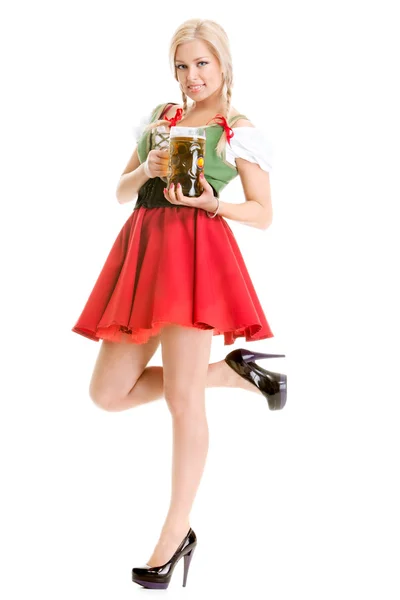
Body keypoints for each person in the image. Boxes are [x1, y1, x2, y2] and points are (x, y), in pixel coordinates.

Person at [71, 17, 287, 590]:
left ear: (223, 65)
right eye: (182, 66)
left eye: (201, 65)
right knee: (105, 393)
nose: (192, 77)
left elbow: (263, 213)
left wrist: (215, 203)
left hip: (195, 258)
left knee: (181, 401)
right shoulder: (160, 121)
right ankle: (233, 373)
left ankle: (175, 532)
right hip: (143, 256)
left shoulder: (236, 129)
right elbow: (121, 192)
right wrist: (146, 167)